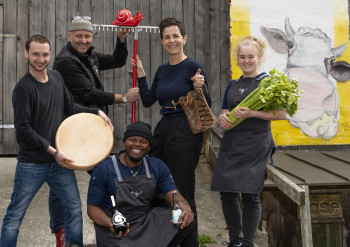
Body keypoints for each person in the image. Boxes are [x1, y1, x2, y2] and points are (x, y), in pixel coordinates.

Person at [0, 34, 113, 247]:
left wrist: (95, 111)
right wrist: (53, 151)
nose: (40, 59)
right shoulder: (23, 88)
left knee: (73, 210)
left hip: (59, 164)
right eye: (35, 54)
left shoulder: (56, 78)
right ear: (26, 54)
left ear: (50, 54)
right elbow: (24, 130)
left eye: (44, 54)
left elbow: (69, 108)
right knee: (15, 215)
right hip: (33, 164)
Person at [50, 16, 140, 245]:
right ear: (69, 36)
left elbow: (118, 60)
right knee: (61, 178)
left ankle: (113, 219)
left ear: (92, 37)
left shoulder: (88, 55)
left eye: (87, 36)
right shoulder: (65, 62)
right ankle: (61, 232)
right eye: (78, 35)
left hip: (91, 124)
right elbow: (89, 93)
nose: (83, 40)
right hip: (72, 126)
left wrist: (121, 38)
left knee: (102, 172)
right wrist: (123, 98)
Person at [130, 17, 211, 245]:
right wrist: (142, 74)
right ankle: (167, 237)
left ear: (184, 39)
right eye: (167, 37)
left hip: (185, 129)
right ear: (162, 42)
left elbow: (207, 107)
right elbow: (147, 100)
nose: (171, 40)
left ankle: (188, 241)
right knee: (156, 185)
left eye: (176, 36)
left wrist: (200, 88)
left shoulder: (193, 67)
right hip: (164, 129)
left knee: (182, 189)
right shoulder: (162, 70)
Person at [210, 36, 286, 247]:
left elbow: (281, 114)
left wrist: (252, 113)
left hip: (256, 144)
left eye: (250, 57)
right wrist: (223, 118)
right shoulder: (232, 85)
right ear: (238, 59)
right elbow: (224, 111)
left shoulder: (268, 83)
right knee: (227, 192)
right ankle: (235, 241)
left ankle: (248, 243)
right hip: (232, 143)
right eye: (242, 57)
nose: (246, 61)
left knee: (251, 195)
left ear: (259, 57)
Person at [87, 121, 196, 247]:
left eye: (143, 141)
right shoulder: (104, 168)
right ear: (124, 142)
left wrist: (187, 211)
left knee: (187, 223)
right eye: (132, 139)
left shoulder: (157, 166)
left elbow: (175, 195)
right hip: (116, 227)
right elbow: (92, 209)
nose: (137, 144)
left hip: (144, 221)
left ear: (149, 146)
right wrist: (111, 223)